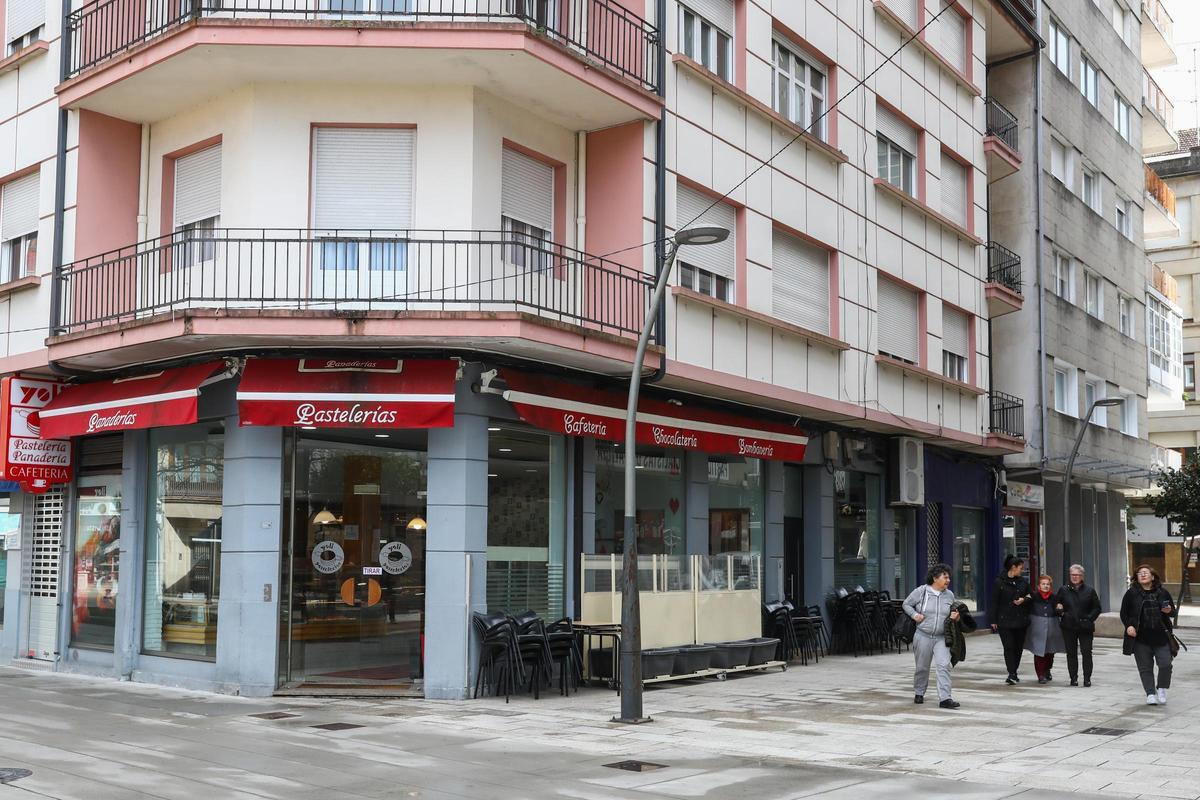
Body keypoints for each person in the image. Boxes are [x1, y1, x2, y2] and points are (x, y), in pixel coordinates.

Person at [902, 563, 962, 709]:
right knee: (922, 667)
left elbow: (952, 613)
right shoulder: (921, 591)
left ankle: (945, 698)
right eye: (945, 577)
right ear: (935, 578)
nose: (948, 580)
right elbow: (906, 604)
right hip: (923, 635)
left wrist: (956, 617)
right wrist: (915, 615)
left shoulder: (949, 595)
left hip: (942, 637)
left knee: (943, 665)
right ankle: (919, 692)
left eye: (949, 577)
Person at [1120, 564, 1175, 705]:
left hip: (1161, 636)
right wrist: (1129, 626)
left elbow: (1173, 612)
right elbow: (1124, 613)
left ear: (1153, 576)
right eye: (1139, 573)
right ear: (1136, 578)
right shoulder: (1131, 593)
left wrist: (1169, 611)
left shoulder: (1162, 592)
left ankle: (1161, 687)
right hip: (1140, 637)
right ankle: (1150, 693)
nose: (1142, 575)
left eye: (1145, 572)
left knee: (1165, 664)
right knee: (1145, 667)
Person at [1056, 564, 1102, 687]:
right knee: (1071, 653)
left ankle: (1087, 678)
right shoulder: (1063, 589)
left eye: (1077, 575)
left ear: (1082, 576)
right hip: (1068, 626)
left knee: (1086, 652)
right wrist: (1061, 611)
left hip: (1085, 626)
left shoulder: (1089, 590)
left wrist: (1089, 618)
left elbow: (1097, 608)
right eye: (1072, 575)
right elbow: (1056, 605)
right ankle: (1073, 678)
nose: (1075, 577)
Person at [990, 555, 1031, 685]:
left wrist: (1023, 600)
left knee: (1018, 647)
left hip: (1020, 620)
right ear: (1013, 568)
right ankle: (1011, 673)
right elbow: (994, 601)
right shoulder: (999, 582)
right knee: (1008, 647)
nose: (1022, 570)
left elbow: (1031, 595)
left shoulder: (1023, 582)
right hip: (1004, 620)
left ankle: (1014, 671)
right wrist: (993, 620)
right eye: (1020, 568)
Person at [1024, 574, 1065, 684]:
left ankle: (1047, 669)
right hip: (1037, 627)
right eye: (1043, 584)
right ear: (1039, 586)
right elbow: (1025, 606)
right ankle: (1040, 674)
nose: (1045, 586)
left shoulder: (1055, 597)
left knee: (1050, 652)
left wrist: (1060, 609)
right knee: (1039, 651)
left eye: (1047, 584)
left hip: (1052, 627)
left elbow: (1059, 611)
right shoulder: (1033, 596)